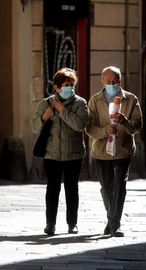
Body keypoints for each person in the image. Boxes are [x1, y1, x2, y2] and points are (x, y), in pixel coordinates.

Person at [30, 68, 88, 235]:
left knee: (72, 188)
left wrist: (62, 110)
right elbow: (34, 127)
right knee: (52, 188)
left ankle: (72, 223)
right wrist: (44, 117)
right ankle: (50, 223)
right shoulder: (45, 103)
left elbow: (79, 125)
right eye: (65, 85)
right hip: (51, 153)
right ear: (56, 87)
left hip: (74, 154)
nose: (69, 88)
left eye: (71, 85)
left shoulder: (80, 103)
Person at [86, 66, 143, 237]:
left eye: (115, 81)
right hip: (101, 151)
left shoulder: (130, 99)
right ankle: (112, 220)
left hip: (123, 150)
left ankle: (114, 225)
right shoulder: (95, 101)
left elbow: (137, 126)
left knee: (120, 185)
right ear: (102, 81)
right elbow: (90, 128)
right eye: (109, 81)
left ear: (120, 81)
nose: (112, 84)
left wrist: (125, 122)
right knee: (106, 187)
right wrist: (105, 131)